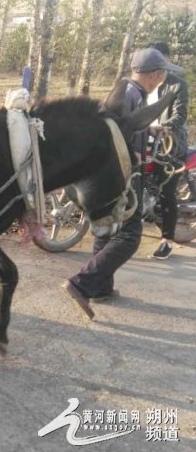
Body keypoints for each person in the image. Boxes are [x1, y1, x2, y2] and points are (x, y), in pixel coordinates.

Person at [63, 48, 183, 318]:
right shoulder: (127, 94)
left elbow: (123, 125)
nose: (164, 77)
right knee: (129, 235)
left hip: (110, 176)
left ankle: (101, 288)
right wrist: (132, 151)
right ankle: (80, 284)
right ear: (154, 74)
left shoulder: (131, 93)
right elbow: (110, 131)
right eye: (163, 72)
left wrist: (148, 129)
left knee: (106, 232)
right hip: (113, 176)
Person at [145, 42, 190, 259]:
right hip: (143, 140)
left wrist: (165, 127)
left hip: (169, 144)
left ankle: (167, 240)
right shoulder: (142, 84)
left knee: (166, 192)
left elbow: (180, 115)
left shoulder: (178, 85)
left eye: (161, 60)